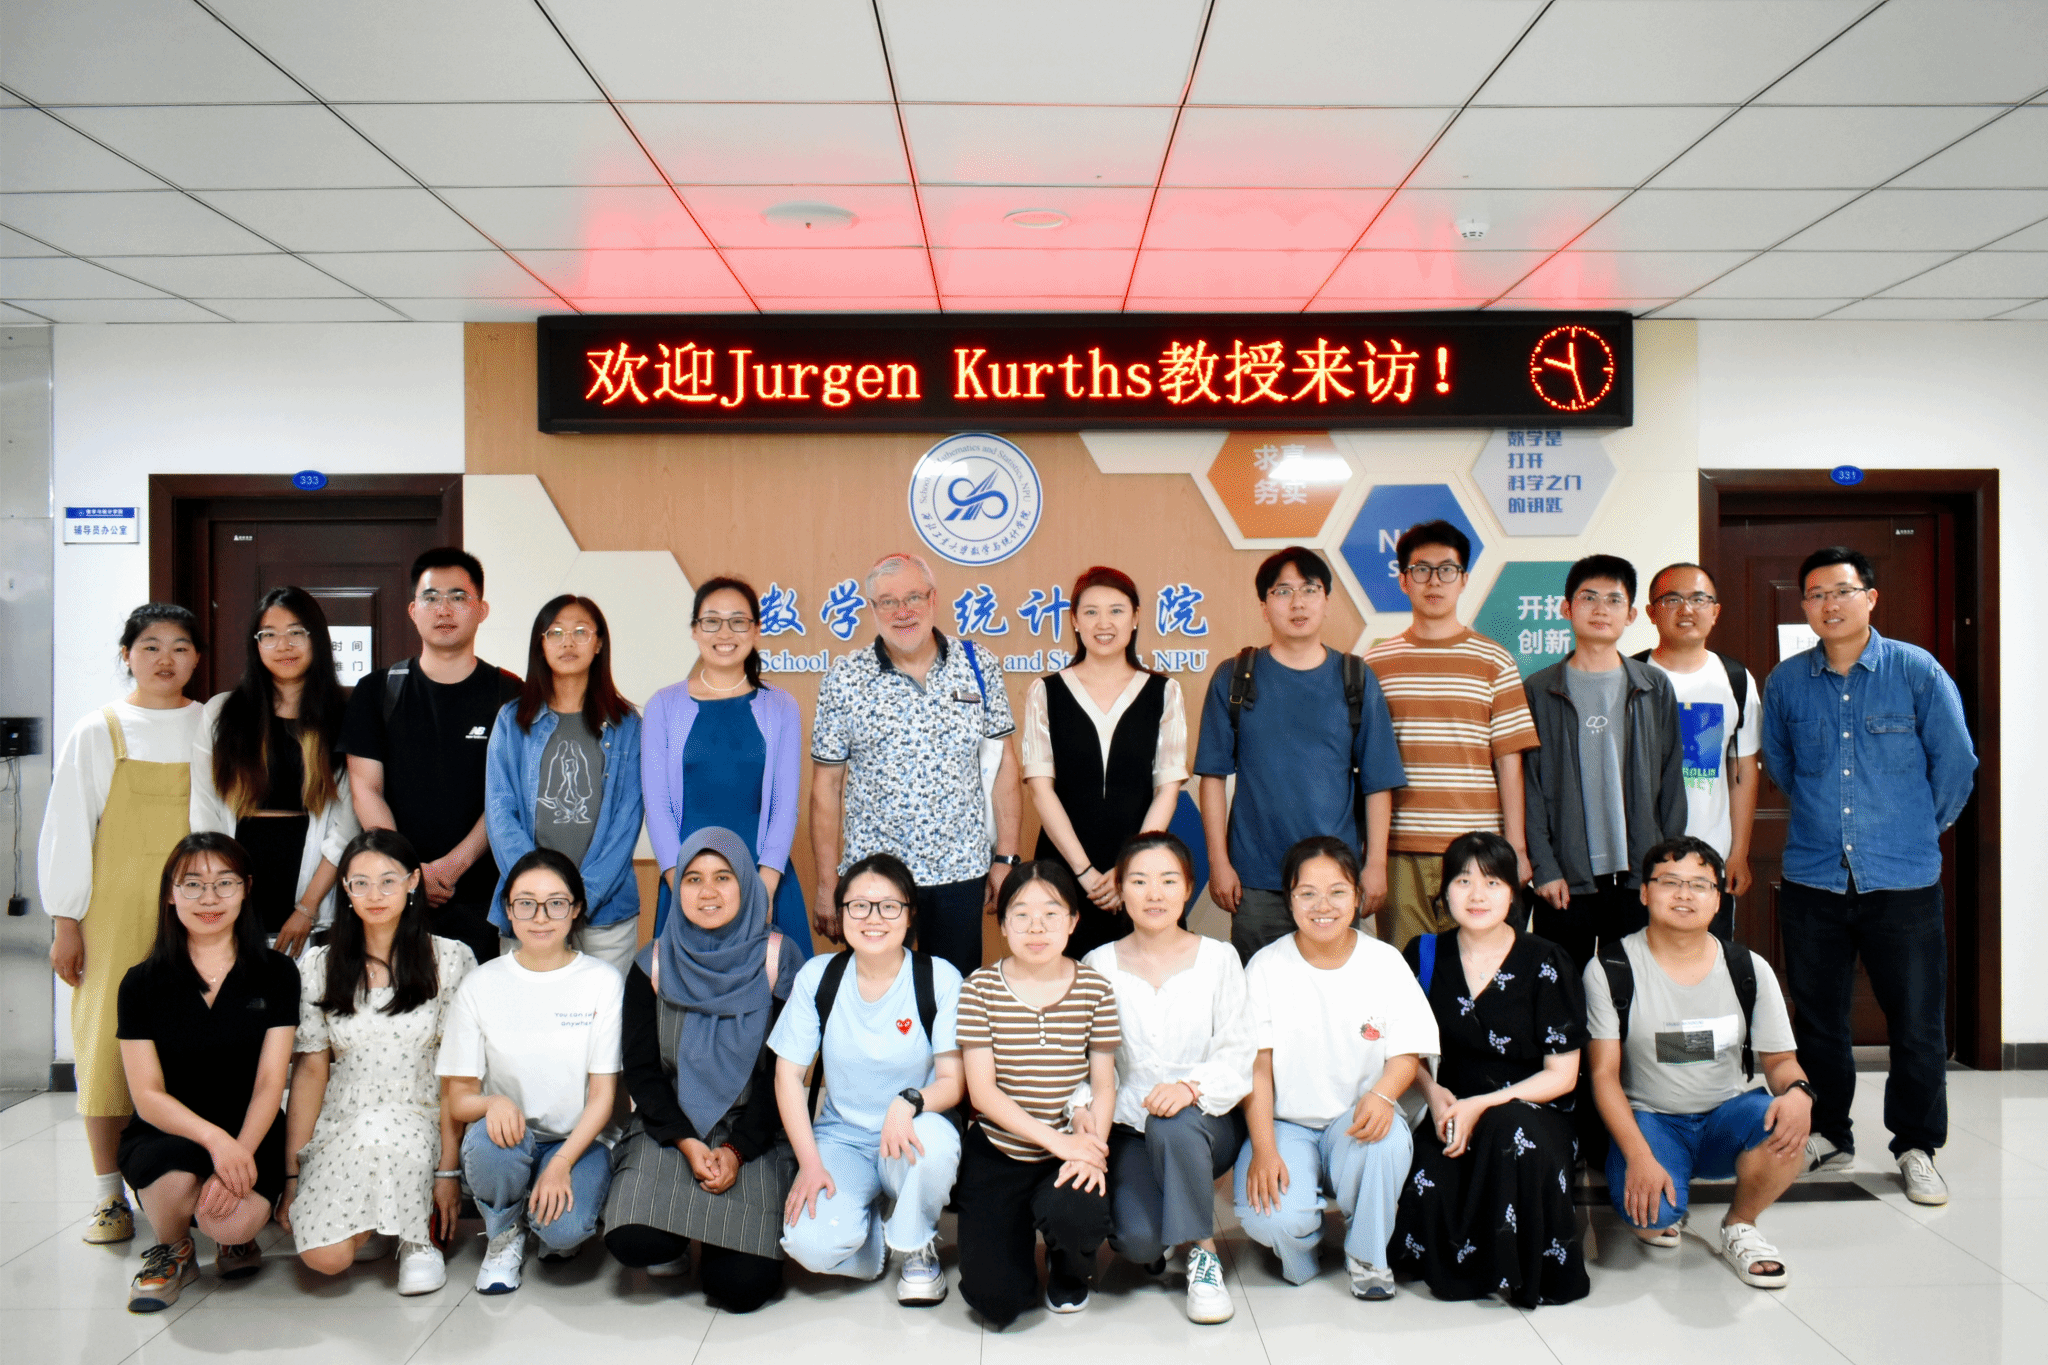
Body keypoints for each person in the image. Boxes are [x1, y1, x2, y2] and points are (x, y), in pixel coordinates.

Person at [1761, 546, 1976, 1204]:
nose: (1829, 604)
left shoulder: (1916, 670)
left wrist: (1914, 829)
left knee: (1917, 1023)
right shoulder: (1787, 681)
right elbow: (1782, 766)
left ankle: (1916, 1146)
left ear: (1870, 597)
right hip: (1813, 879)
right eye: (1816, 594)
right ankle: (1830, 1133)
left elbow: (1957, 763)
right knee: (1819, 1020)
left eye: (1842, 591)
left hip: (1903, 881)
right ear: (1804, 605)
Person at [39, 602, 209, 1246]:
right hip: (111, 910)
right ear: (126, 656)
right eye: (150, 646)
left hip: (198, 907)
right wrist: (66, 921)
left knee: (194, 1036)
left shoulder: (210, 724)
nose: (166, 659)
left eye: (181, 646)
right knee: (106, 1041)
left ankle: (195, 1183)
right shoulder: (98, 730)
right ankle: (109, 1195)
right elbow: (67, 830)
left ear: (197, 657)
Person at [1585, 836, 1815, 1288]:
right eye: (1670, 882)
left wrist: (1799, 1093)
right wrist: (1639, 1156)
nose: (1684, 895)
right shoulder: (1611, 967)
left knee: (1787, 1123)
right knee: (1653, 1218)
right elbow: (1603, 1075)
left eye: (1699, 885)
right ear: (1644, 893)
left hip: (1725, 1117)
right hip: (1651, 1120)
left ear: (1717, 899)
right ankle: (1664, 1189)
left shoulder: (1748, 968)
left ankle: (1741, 1224)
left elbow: (1780, 1061)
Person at [603, 827, 805, 1312]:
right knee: (634, 1242)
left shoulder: (780, 959)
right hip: (672, 1129)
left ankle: (714, 1236)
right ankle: (680, 1233)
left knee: (741, 1288)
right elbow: (642, 1072)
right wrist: (688, 1142)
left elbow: (783, 1077)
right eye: (693, 878)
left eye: (723, 877)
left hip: (753, 1131)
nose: (707, 891)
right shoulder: (652, 962)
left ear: (747, 884)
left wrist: (736, 1150)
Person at [1234, 836, 1436, 1300]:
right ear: (1289, 899)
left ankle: (1367, 1255)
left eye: (1337, 892)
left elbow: (1408, 1051)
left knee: (1387, 1139)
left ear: (1358, 896)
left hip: (1357, 1117)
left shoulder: (1384, 961)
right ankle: (1302, 1249)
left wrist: (1383, 1095)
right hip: (1288, 1124)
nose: (1322, 906)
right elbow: (1257, 1068)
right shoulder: (1265, 967)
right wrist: (1264, 1148)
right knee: (1273, 1217)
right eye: (1307, 893)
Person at [1391, 831, 1588, 1307]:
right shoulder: (1422, 954)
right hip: (1449, 1109)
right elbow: (1401, 1045)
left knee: (1510, 1127)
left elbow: (1562, 1075)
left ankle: (1524, 1272)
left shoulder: (1547, 960)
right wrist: (1432, 1092)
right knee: (1432, 1182)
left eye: (1492, 882)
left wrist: (1483, 1104)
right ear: (1445, 891)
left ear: (1513, 893)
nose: (1477, 895)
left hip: (1534, 1110)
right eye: (1463, 881)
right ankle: (1467, 1271)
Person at [278, 829, 476, 1296]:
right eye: (360, 883)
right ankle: (377, 1217)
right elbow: (310, 1073)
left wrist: (448, 1173)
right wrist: (293, 1175)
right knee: (325, 1259)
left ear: (413, 882)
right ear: (345, 889)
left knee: (386, 1128)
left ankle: (416, 1240)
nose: (375, 895)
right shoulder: (319, 965)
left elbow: (457, 1076)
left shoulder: (451, 959)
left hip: (421, 1116)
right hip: (343, 1121)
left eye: (388, 881)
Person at [811, 551, 1022, 979]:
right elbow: (825, 788)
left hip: (961, 871)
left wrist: (1006, 858)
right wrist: (827, 882)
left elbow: (1004, 768)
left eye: (913, 597)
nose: (902, 611)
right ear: (872, 609)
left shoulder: (977, 664)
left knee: (955, 996)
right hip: (875, 878)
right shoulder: (845, 677)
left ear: (933, 599)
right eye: (888, 601)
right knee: (876, 994)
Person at [1196, 546, 1407, 963]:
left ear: (1326, 600)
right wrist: (1219, 862)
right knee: (1259, 989)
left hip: (1336, 877)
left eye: (1310, 589)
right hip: (1257, 878)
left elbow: (1378, 782)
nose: (1298, 602)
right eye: (1283, 591)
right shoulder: (1235, 677)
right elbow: (1212, 777)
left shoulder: (1355, 678)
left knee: (1336, 987)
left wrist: (1375, 865)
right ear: (1264, 606)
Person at [115, 833, 296, 1312]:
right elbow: (148, 1094)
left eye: (224, 883)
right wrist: (216, 1143)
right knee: (175, 1181)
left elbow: (269, 1083)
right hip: (169, 1130)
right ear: (170, 894)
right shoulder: (140, 983)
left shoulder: (278, 973)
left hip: (251, 1129)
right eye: (193, 884)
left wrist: (240, 1148)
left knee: (231, 1222)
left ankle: (233, 1238)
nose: (209, 898)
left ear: (246, 888)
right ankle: (173, 1250)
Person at [773, 853, 964, 1305]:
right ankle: (879, 1231)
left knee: (936, 1146)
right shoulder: (818, 977)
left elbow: (953, 1082)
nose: (873, 918)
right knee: (809, 1246)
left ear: (910, 914)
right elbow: (787, 1076)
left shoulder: (938, 977)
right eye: (859, 906)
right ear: (841, 915)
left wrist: (908, 1102)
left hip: (912, 1129)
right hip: (842, 1137)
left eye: (889, 906)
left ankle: (916, 1247)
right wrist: (810, 1164)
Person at [1082, 832, 1251, 1325]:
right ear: (1120, 890)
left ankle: (1203, 1252)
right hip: (1129, 1126)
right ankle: (1165, 1221)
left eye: (1168, 881)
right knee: (1137, 1243)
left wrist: (1190, 1089)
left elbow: (1239, 1051)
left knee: (1173, 1124)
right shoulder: (1098, 964)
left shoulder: (1219, 959)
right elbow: (1083, 1062)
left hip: (1205, 1124)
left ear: (1189, 888)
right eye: (1139, 881)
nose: (1154, 894)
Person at [437, 849, 622, 1295]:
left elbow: (603, 1097)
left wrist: (560, 1163)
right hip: (509, 1137)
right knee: (489, 1144)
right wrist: (493, 1102)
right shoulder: (481, 984)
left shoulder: (602, 981)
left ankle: (544, 1220)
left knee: (563, 1233)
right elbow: (458, 1099)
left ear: (576, 909)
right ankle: (503, 1235)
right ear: (508, 909)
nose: (540, 917)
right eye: (526, 903)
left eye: (556, 903)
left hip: (579, 1141)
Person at [955, 862, 1120, 1327]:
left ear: (1073, 921)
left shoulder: (1095, 988)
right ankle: (1016, 1250)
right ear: (1004, 924)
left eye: (1051, 913)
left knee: (1079, 1211)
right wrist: (1059, 1142)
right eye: (1021, 914)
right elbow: (982, 1093)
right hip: (1000, 1148)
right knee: (996, 1302)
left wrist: (1090, 1149)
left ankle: (1068, 1266)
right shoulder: (980, 988)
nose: (1036, 927)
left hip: (1067, 1146)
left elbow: (1104, 1085)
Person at [1364, 521, 1541, 948]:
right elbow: (1367, 766)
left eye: (1447, 570)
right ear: (1404, 580)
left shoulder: (1494, 660)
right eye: (1421, 570)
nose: (1434, 581)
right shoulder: (1375, 664)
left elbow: (1509, 761)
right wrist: (1373, 855)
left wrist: (1516, 847)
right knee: (1408, 971)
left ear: (1463, 579)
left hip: (1478, 849)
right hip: (1400, 851)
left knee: (1479, 969)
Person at [342, 548, 521, 966]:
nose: (444, 609)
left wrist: (453, 865)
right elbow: (365, 788)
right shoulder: (377, 691)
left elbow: (511, 794)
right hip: (393, 893)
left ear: (481, 609)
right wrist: (408, 871)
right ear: (413, 610)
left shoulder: (511, 693)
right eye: (431, 597)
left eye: (458, 597)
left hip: (483, 893)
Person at [1522, 554, 1686, 973]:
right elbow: (1529, 788)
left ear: (1631, 615)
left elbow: (1671, 778)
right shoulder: (1539, 689)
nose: (1600, 609)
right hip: (1565, 878)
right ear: (1566, 608)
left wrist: (1665, 868)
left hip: (1638, 876)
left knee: (1632, 990)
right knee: (1563, 990)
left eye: (1614, 600)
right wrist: (1544, 867)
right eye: (1588, 597)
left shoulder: (1653, 685)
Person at [1021, 567, 1189, 959]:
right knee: (1063, 975)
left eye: (1116, 610)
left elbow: (1167, 790)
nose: (1104, 623)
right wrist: (1084, 872)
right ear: (1075, 621)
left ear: (1135, 617)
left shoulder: (1164, 691)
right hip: (1063, 868)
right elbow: (1041, 790)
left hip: (1142, 872)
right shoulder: (1046, 691)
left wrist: (1131, 870)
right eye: (1091, 612)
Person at [642, 577, 809, 953]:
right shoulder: (663, 706)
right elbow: (658, 808)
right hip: (687, 881)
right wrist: (682, 885)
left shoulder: (781, 705)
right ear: (694, 629)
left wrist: (763, 890)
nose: (724, 632)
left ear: (756, 629)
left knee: (773, 985)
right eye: (712, 621)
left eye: (737, 621)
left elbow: (785, 807)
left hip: (765, 877)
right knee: (688, 985)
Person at [192, 586, 359, 956]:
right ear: (256, 644)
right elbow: (204, 811)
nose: (283, 646)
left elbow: (347, 826)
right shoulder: (222, 713)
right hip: (235, 871)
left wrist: (307, 908)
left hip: (311, 878)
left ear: (317, 638)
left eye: (296, 632)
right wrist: (220, 890)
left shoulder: (342, 716)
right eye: (269, 634)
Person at [485, 594, 644, 972]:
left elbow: (627, 818)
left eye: (580, 631)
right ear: (540, 644)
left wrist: (580, 898)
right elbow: (500, 810)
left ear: (599, 642)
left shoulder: (627, 724)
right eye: (555, 632)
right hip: (528, 912)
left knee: (603, 1008)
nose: (567, 642)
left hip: (606, 911)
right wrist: (538, 896)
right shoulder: (512, 720)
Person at [1638, 563, 1762, 941]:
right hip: (1638, 862)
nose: (1686, 609)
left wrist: (1738, 852)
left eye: (1698, 599)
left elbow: (1743, 771)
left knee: (1709, 959)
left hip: (1710, 858)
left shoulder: (1735, 679)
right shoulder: (1629, 675)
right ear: (1651, 612)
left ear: (1715, 611)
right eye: (1672, 599)